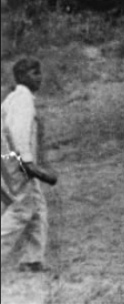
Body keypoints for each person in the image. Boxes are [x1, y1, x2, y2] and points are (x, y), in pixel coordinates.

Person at [2, 58, 58, 272]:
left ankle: (32, 260)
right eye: (34, 73)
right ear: (22, 77)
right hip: (16, 163)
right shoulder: (23, 100)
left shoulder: (13, 99)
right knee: (20, 210)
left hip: (8, 161)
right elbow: (18, 133)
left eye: (39, 72)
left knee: (37, 208)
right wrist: (29, 165)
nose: (39, 77)